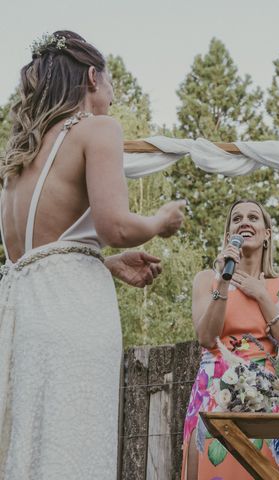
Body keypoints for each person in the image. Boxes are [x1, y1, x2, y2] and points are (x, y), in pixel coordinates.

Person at [0, 31, 185, 479]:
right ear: (91, 77)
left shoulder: (20, 154)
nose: (114, 92)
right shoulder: (97, 129)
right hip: (73, 311)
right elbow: (116, 226)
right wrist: (160, 221)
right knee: (74, 439)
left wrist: (102, 262)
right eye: (111, 79)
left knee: (27, 440)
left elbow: (39, 252)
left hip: (19, 310)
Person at [181, 199, 279, 480]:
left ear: (267, 233)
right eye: (237, 219)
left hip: (262, 392)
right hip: (213, 390)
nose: (244, 222)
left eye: (253, 217)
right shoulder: (206, 280)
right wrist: (224, 282)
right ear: (228, 236)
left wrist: (261, 294)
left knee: (256, 471)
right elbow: (206, 336)